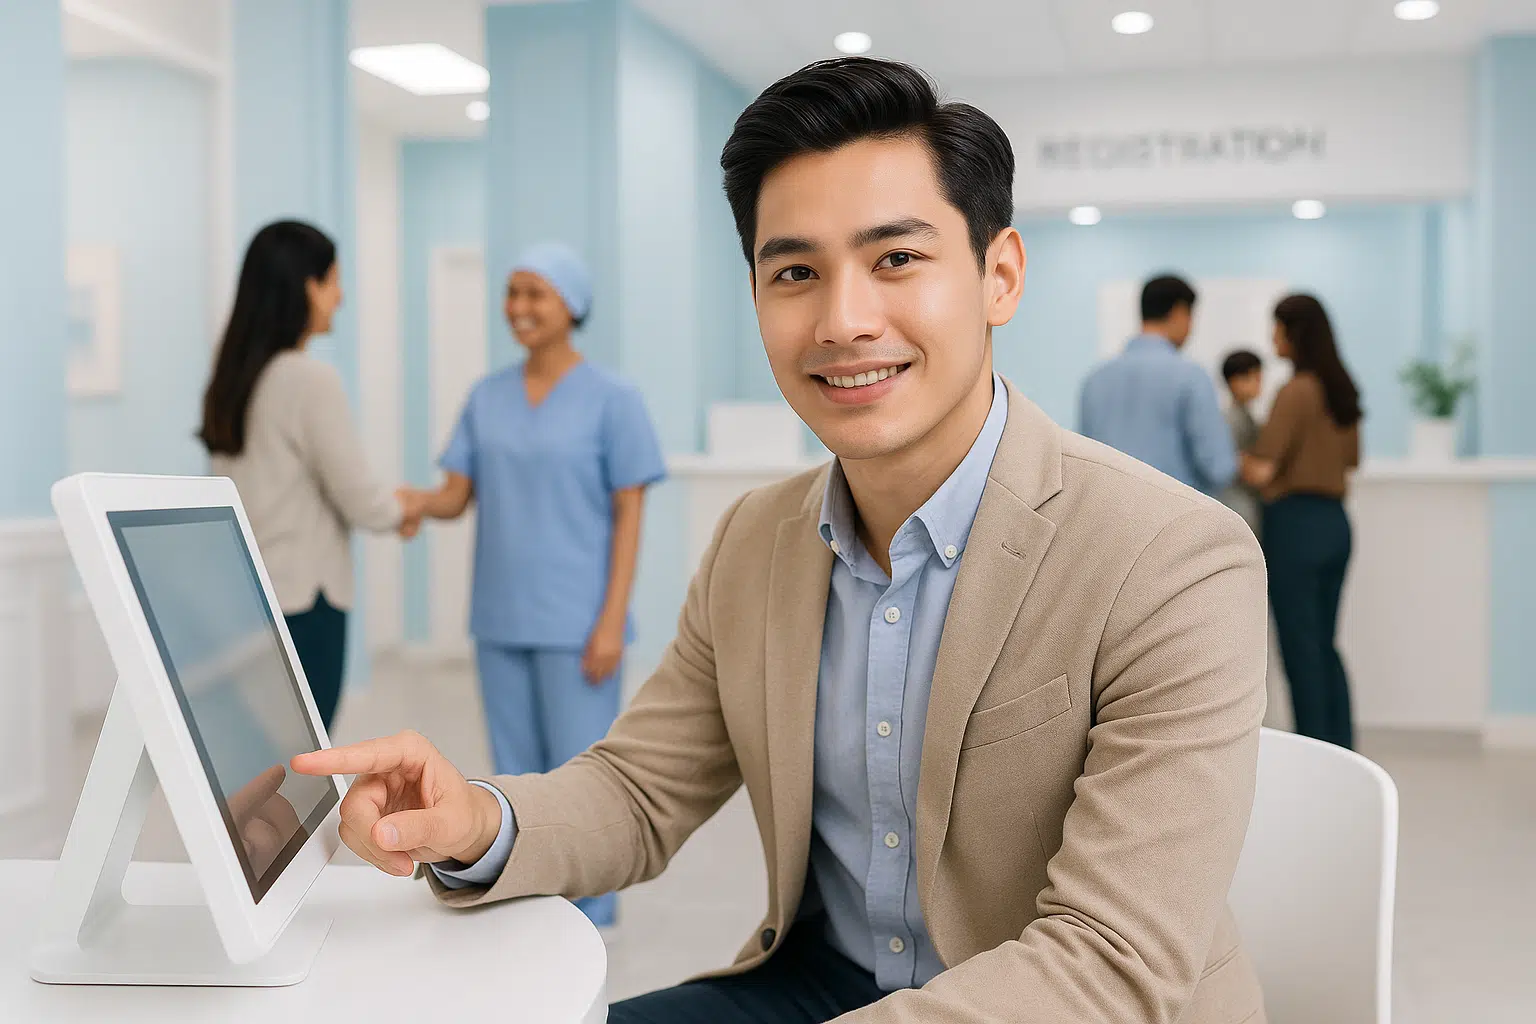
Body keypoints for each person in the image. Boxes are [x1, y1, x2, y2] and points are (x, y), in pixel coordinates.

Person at [295, 58, 1268, 1023]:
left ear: (998, 275)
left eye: (896, 259)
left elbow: (1109, 960)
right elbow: (640, 789)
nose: (842, 320)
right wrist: (477, 820)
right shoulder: (758, 540)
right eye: (796, 271)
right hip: (821, 982)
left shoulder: (1172, 558)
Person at [399, 242, 665, 928]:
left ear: (570, 305)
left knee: (584, 777)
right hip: (500, 616)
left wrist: (612, 619)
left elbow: (630, 512)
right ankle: (530, 903)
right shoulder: (486, 397)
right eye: (511, 293)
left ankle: (592, 913)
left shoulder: (614, 398)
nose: (518, 308)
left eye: (534, 293)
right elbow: (457, 496)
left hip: (579, 622)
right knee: (514, 774)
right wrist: (409, 505)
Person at [201, 220, 422, 731]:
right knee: (304, 763)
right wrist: (404, 510)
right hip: (306, 601)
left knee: (265, 764)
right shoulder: (308, 378)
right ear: (307, 286)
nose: (340, 296)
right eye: (333, 281)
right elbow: (359, 497)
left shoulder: (232, 379)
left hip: (250, 597)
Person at [1242, 295, 1362, 750]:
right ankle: (1342, 751)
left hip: (1296, 527)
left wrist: (1234, 458)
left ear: (1294, 332)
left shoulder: (1296, 391)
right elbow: (1350, 462)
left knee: (1300, 649)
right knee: (1326, 647)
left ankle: (1317, 757)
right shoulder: (1341, 389)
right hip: (1336, 524)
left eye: (1277, 327)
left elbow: (1261, 470)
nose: (1272, 337)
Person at [1080, 275, 1237, 494]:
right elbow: (1219, 469)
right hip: (1176, 518)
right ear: (1180, 312)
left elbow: (1085, 463)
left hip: (1108, 516)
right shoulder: (1191, 376)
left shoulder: (1095, 379)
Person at [1219, 349, 1265, 537]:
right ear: (1235, 381)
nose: (1259, 384)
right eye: (1253, 377)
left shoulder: (1246, 416)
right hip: (1237, 502)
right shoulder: (1231, 419)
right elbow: (1238, 461)